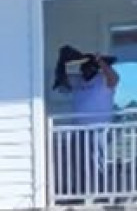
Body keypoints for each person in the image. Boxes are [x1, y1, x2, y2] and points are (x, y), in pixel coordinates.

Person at [50, 45, 119, 199]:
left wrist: (100, 60)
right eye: (82, 67)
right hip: (78, 130)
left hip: (98, 130)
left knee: (97, 163)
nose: (84, 70)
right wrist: (62, 61)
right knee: (79, 163)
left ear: (94, 68)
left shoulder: (103, 80)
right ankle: (83, 194)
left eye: (87, 67)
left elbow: (114, 78)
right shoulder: (78, 81)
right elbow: (62, 81)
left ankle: (101, 194)